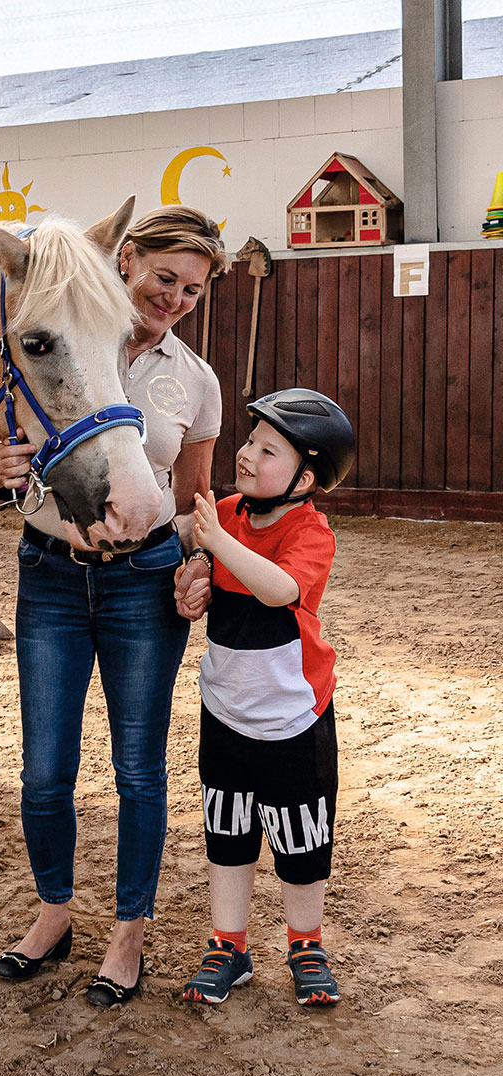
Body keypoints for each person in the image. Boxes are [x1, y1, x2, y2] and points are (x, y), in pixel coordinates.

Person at [0, 206, 229, 1006]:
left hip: (142, 579)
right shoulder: (65, 329)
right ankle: (54, 914)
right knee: (44, 769)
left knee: (137, 768)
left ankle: (128, 934)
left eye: (192, 290)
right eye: (164, 277)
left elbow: (193, 500)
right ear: (126, 260)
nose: (175, 298)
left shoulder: (195, 381)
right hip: (50, 573)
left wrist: (197, 563)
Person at [181, 388, 355, 1008]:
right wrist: (192, 576)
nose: (247, 454)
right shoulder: (226, 513)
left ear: (304, 479)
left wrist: (217, 544)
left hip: (292, 717)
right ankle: (229, 945)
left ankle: (306, 944)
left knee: (300, 837)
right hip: (225, 708)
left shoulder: (310, 531)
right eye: (250, 441)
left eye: (268, 450)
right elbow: (196, 560)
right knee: (227, 830)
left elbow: (281, 589)